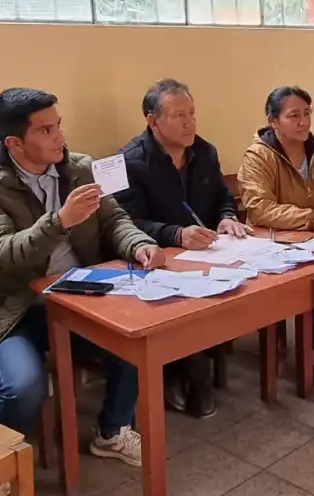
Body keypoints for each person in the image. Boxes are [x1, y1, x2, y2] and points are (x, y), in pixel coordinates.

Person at [0, 88, 166, 471]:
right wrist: (60, 221)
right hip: (14, 308)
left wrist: (139, 245)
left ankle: (111, 432)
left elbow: (114, 220)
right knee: (23, 386)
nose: (60, 137)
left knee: (137, 344)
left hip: (80, 296)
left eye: (59, 125)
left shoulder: (79, 168)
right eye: (46, 130)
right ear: (14, 143)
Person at [114, 78, 250, 418]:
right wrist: (175, 234)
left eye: (192, 113)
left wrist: (227, 217)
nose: (190, 122)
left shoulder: (205, 152)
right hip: (155, 260)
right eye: (179, 115)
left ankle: (193, 368)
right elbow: (125, 222)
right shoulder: (127, 162)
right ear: (153, 121)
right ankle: (186, 375)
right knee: (183, 302)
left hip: (207, 254)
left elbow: (223, 198)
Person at [237, 86, 314, 385]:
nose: (303, 121)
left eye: (307, 113)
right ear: (273, 121)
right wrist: (312, 219)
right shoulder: (258, 157)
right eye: (294, 115)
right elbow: (260, 209)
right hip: (277, 244)